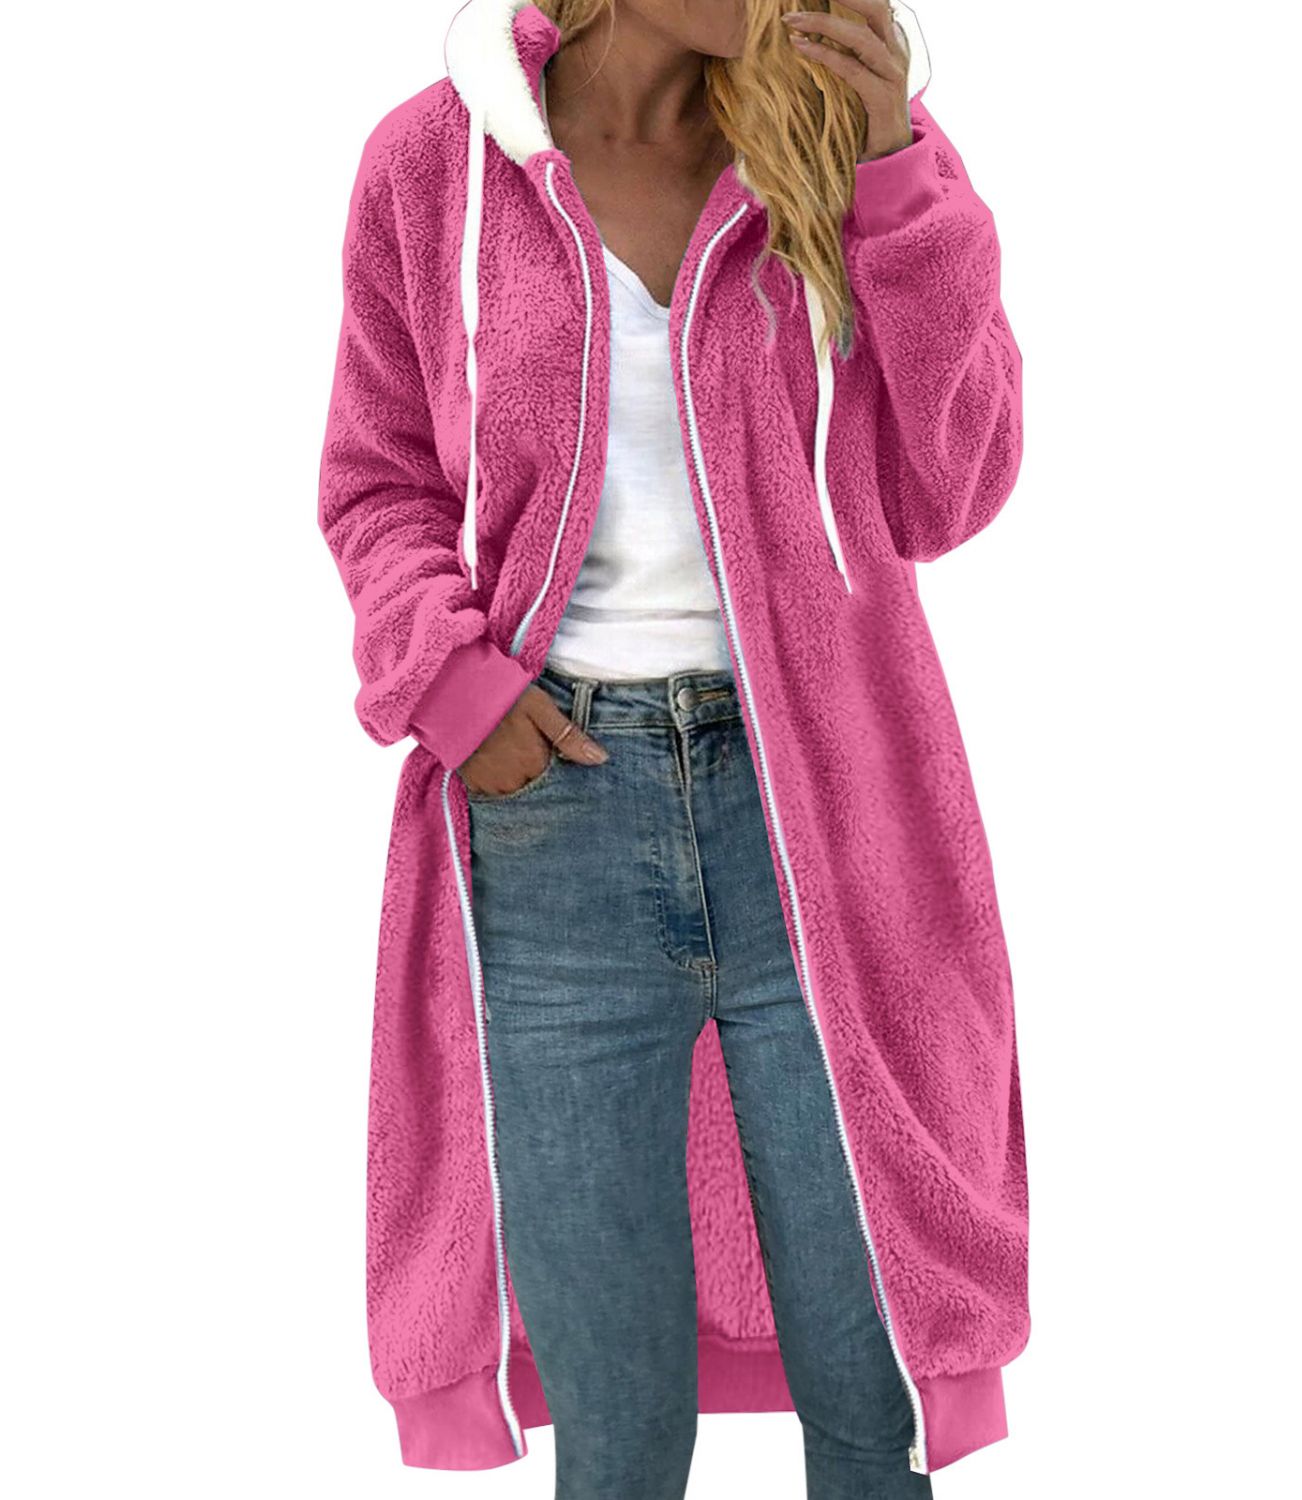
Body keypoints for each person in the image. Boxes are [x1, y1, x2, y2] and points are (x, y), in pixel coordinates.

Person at [316, 2, 1029, 1495]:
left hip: (819, 812)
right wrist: (456, 688)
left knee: (874, 1400)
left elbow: (950, 488)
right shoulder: (433, 165)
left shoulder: (843, 147)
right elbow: (378, 478)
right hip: (553, 830)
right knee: (620, 1437)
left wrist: (894, 174)